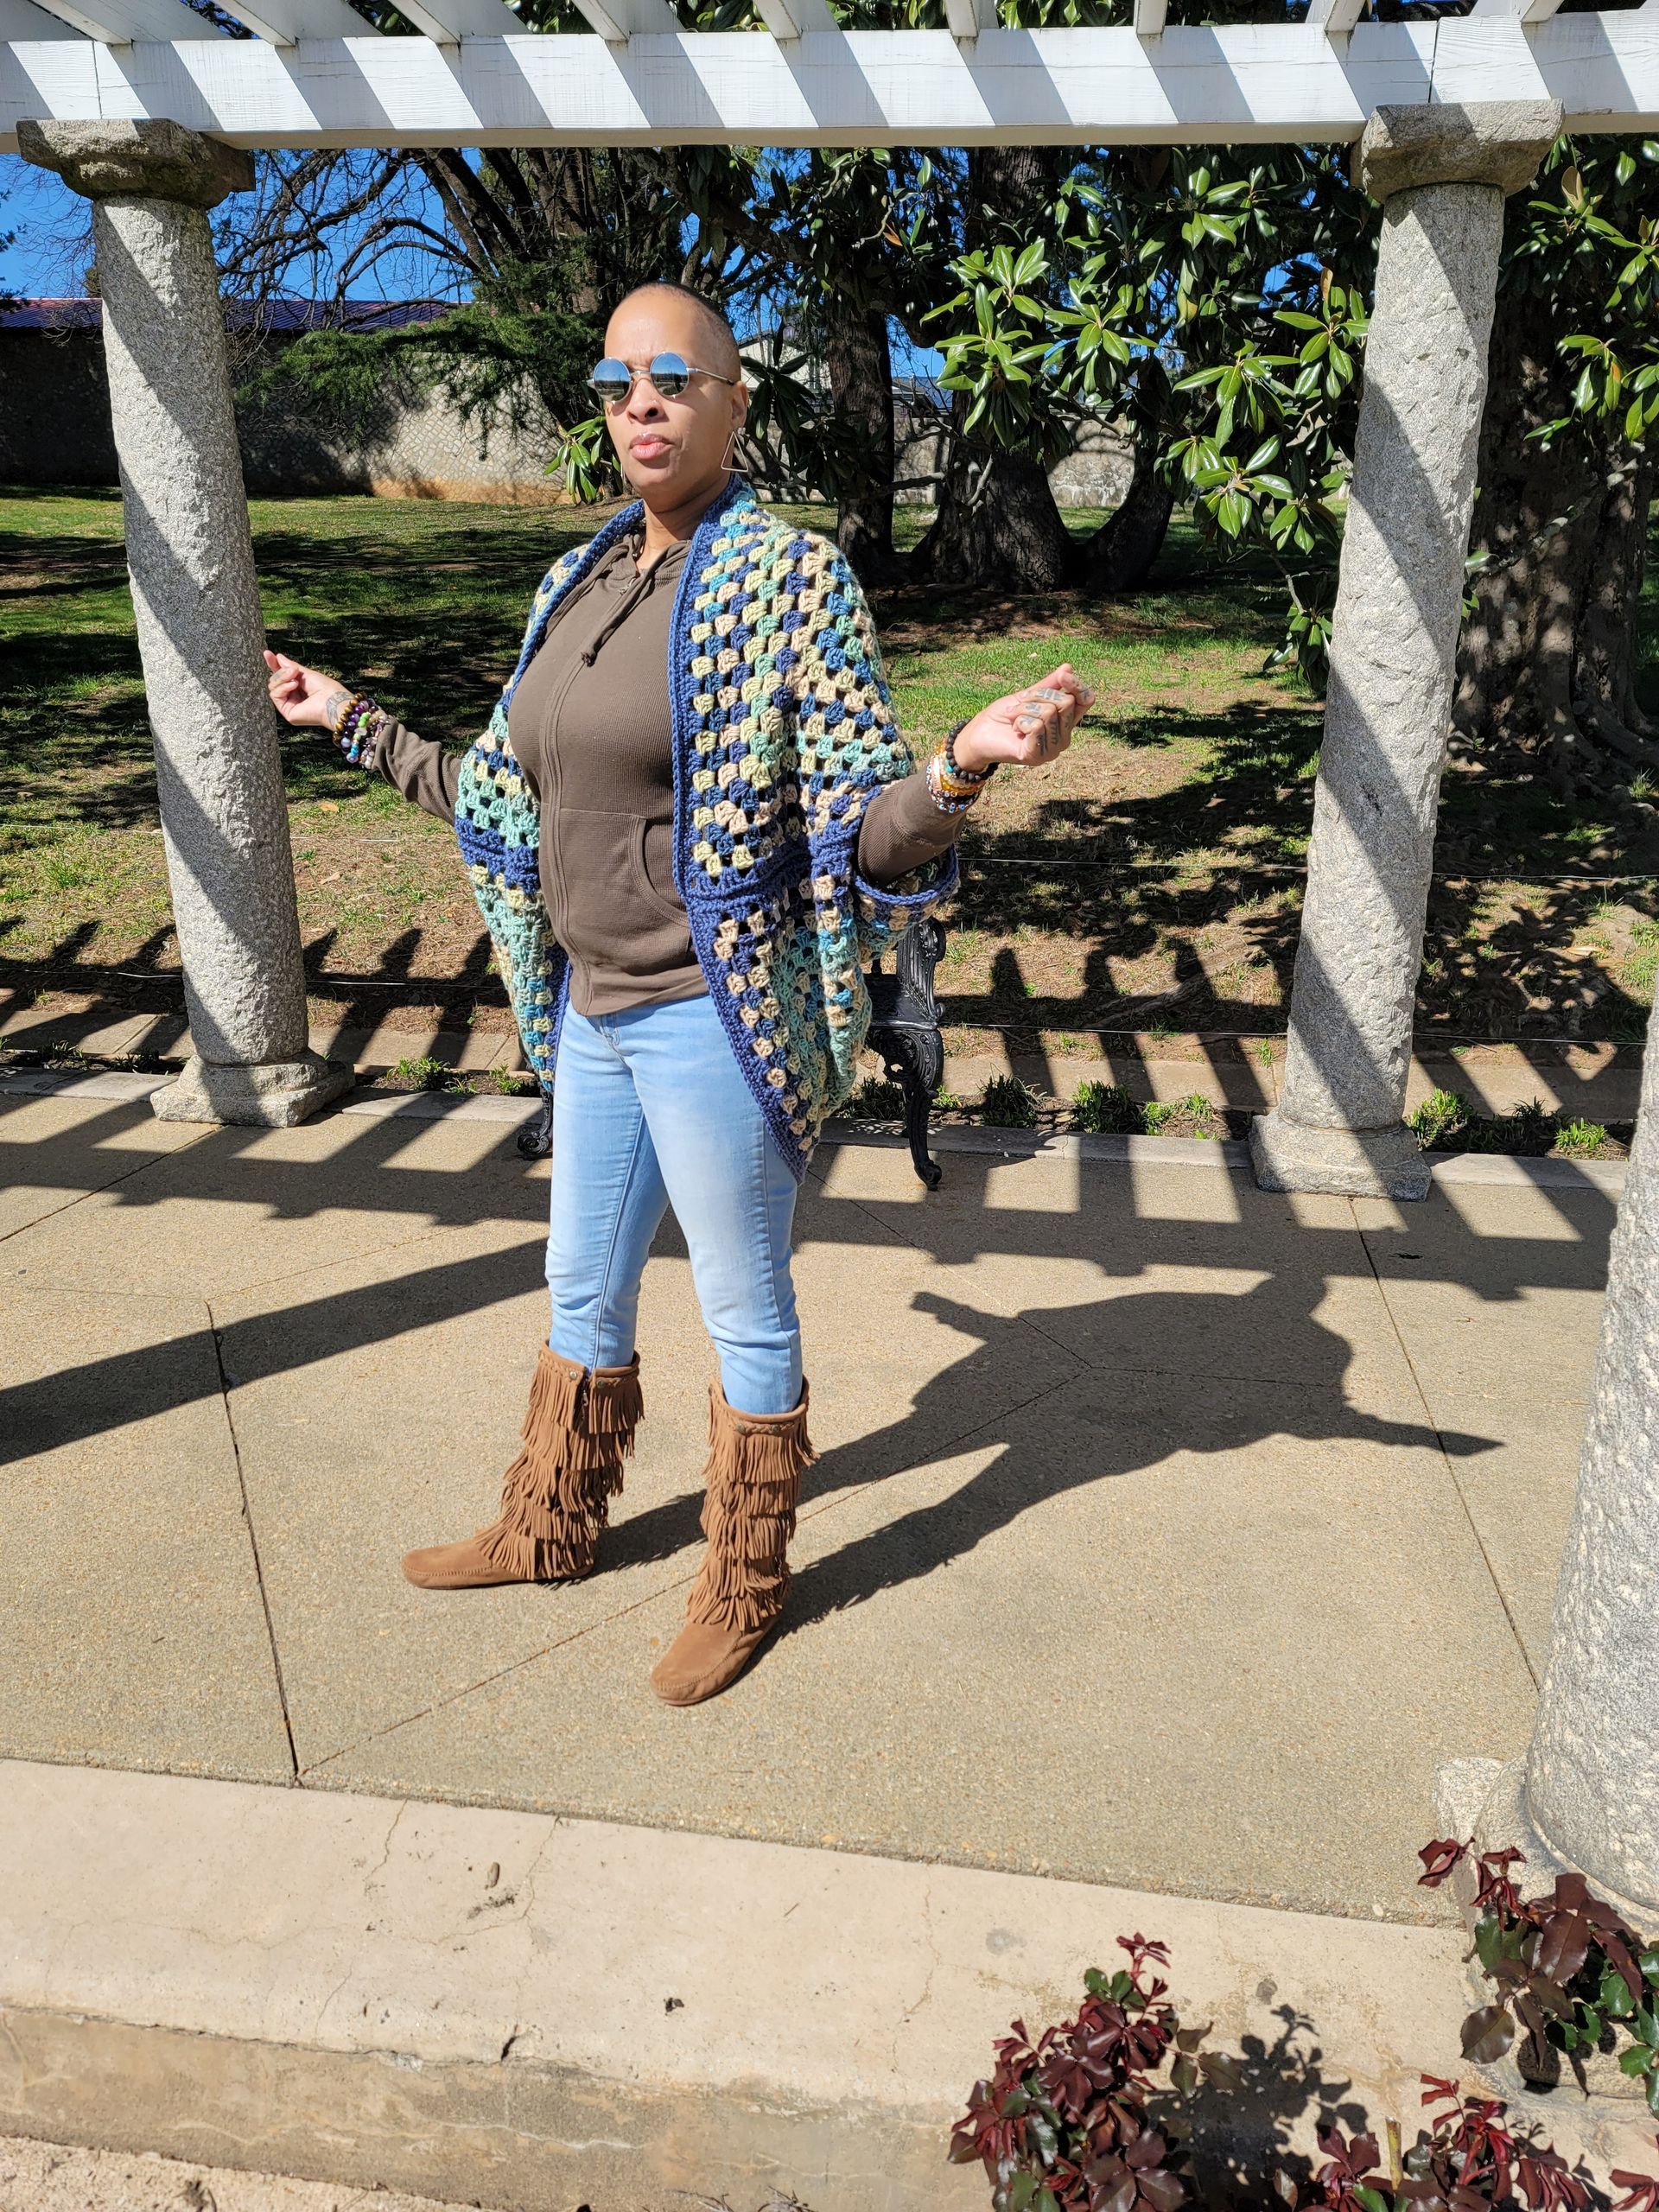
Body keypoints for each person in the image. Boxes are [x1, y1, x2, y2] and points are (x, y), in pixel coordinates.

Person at [264, 280, 1091, 1707]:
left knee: (742, 1309)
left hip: (716, 1017)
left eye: (671, 379)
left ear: (732, 400)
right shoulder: (576, 582)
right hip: (592, 1010)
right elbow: (507, 799)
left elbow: (857, 832)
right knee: (580, 1284)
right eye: (615, 384)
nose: (638, 404)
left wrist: (960, 767)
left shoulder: (791, 578)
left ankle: (746, 1577)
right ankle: (547, 1523)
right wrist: (353, 722)